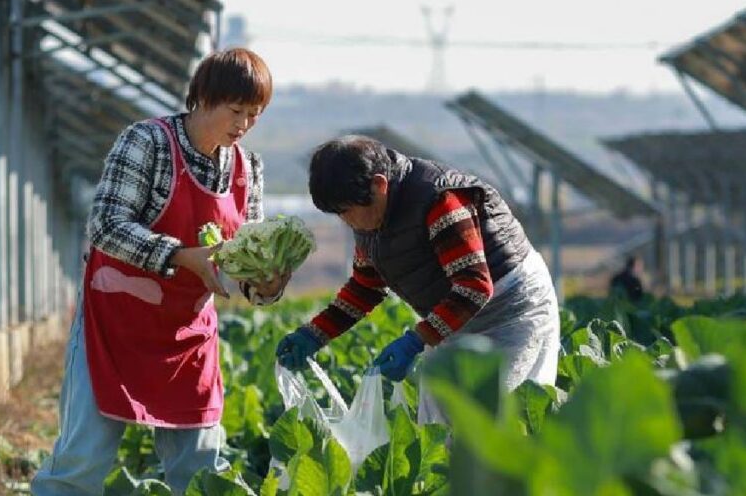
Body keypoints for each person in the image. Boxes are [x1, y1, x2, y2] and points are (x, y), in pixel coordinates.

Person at [33, 48, 289, 495]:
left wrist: (263, 284)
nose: (244, 124)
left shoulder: (250, 169)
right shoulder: (147, 143)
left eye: (255, 115)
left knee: (202, 468)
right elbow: (106, 226)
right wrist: (181, 256)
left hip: (188, 335)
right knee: (83, 462)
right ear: (204, 98)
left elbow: (243, 259)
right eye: (236, 111)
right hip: (114, 326)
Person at [275, 135, 560, 407]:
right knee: (442, 417)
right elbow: (365, 287)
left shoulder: (439, 200)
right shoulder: (370, 219)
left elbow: (474, 285)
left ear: (379, 185)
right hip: (457, 316)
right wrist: (314, 335)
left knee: (499, 419)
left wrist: (417, 340)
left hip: (513, 308)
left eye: (347, 211)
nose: (346, 221)